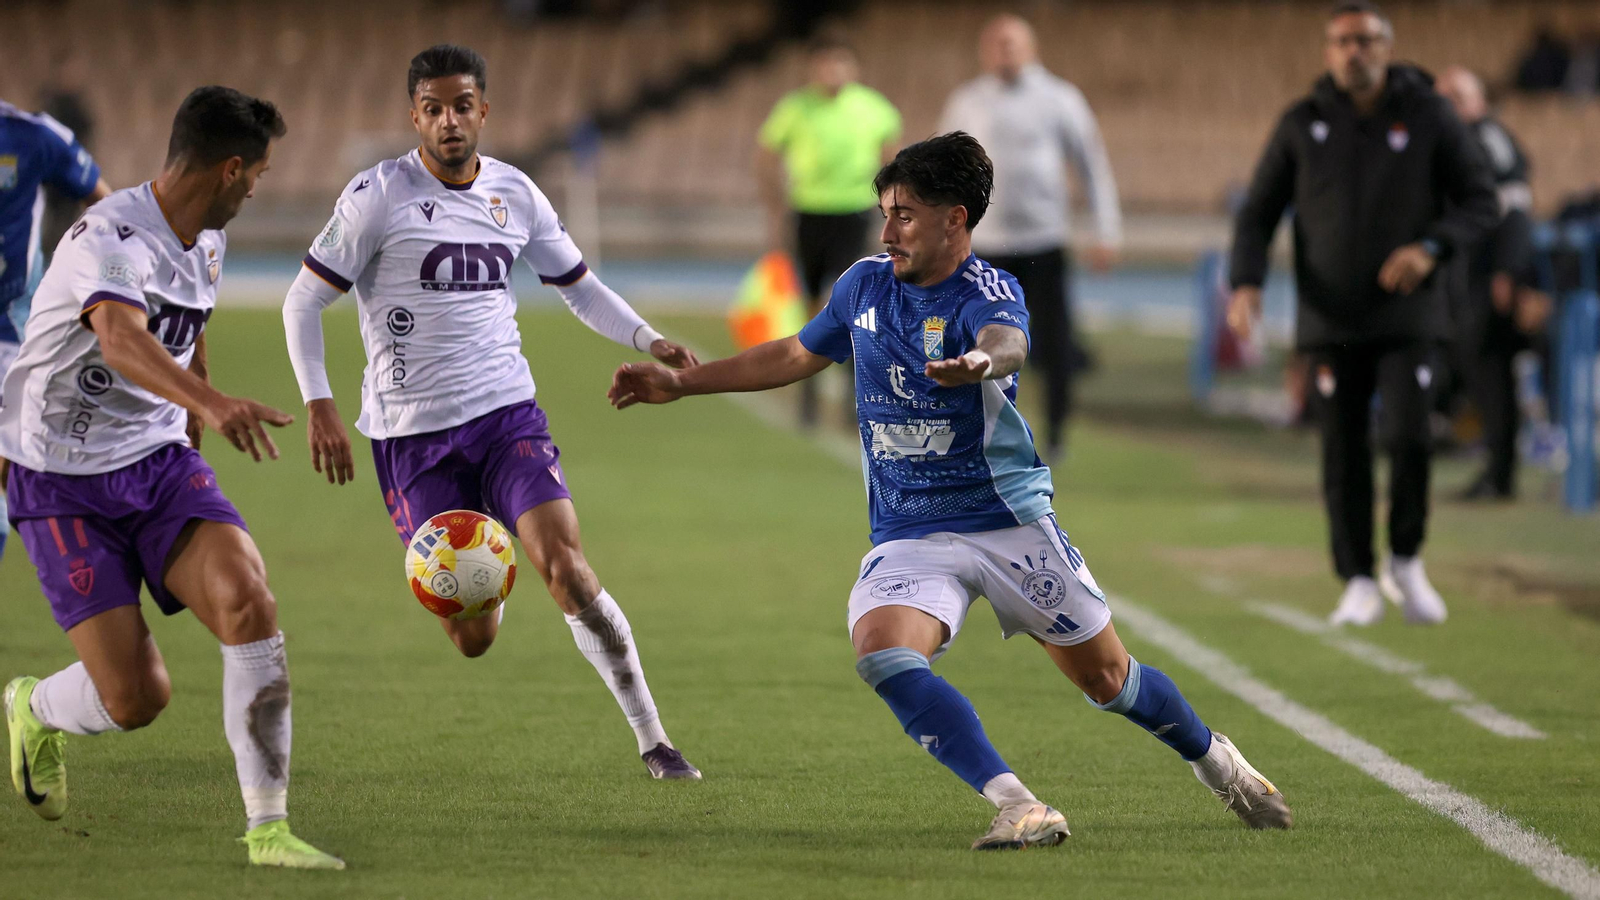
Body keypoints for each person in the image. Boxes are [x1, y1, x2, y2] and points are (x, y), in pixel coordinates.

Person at [610, 132, 1291, 849]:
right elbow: (793, 353)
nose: (887, 230)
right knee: (882, 653)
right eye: (885, 212)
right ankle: (1018, 803)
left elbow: (1010, 341)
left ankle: (1215, 761)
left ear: (954, 219)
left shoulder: (986, 292)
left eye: (904, 214)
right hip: (911, 533)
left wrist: (978, 362)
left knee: (1109, 683)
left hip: (1007, 523)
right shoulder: (862, 285)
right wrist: (684, 382)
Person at [281, 45, 702, 780]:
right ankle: (483, 572)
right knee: (473, 637)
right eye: (434, 109)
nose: (450, 121)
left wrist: (648, 336)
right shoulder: (377, 196)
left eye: (462, 105)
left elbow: (577, 284)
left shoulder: (517, 194)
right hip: (411, 437)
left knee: (567, 568)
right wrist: (319, 402)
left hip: (508, 416)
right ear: (414, 116)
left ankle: (655, 741)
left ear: (484, 110)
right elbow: (304, 300)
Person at [1, 86, 343, 869]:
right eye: (256, 173)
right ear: (229, 170)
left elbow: (188, 327)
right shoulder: (109, 236)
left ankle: (268, 829)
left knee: (249, 599)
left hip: (156, 462)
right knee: (135, 699)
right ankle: (32, 706)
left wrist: (192, 406)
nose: (258, 187)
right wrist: (213, 403)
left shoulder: (207, 242)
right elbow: (120, 338)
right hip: (58, 478)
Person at [1227, 1, 1498, 627]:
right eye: (1343, 42)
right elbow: (1259, 212)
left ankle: (1405, 557)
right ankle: (1357, 577)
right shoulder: (1303, 122)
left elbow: (1481, 201)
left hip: (1409, 318)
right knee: (1342, 451)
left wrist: (1431, 248)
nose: (1355, 52)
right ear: (1329, 52)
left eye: (1367, 41)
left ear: (1387, 47)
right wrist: (1246, 282)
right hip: (1330, 321)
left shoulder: (1430, 116)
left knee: (1407, 436)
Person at [939, 14, 1122, 463]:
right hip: (987, 243)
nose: (1006, 50)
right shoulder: (967, 100)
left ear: (1031, 47)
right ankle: (973, 433)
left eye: (1013, 42)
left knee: (1055, 340)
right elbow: (940, 168)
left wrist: (1107, 229)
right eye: (997, 43)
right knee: (974, 340)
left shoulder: (1059, 98)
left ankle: (1056, 431)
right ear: (985, 50)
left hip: (1044, 239)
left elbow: (1092, 163)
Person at [755, 35, 900, 427]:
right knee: (812, 301)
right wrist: (777, 206)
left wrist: (890, 214)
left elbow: (892, 161)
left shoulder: (873, 108)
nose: (832, 71)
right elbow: (767, 154)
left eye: (840, 63)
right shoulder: (795, 108)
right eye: (825, 63)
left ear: (853, 69)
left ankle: (856, 395)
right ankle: (808, 390)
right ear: (813, 69)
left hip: (853, 213)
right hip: (809, 212)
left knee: (853, 301)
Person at [0, 98, 112, 563]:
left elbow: (108, 210)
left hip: (7, 334)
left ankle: (92, 578)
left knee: (13, 476)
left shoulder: (33, 137)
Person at [1436, 66, 1536, 502]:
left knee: (1492, 376)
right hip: (1464, 278)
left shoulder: (1489, 139)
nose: (1449, 105)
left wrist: (1508, 271)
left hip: (1487, 277)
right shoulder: (1453, 144)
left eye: (1457, 95)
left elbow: (1515, 208)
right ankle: (1492, 469)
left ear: (1478, 102)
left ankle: (1500, 475)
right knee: (1472, 372)